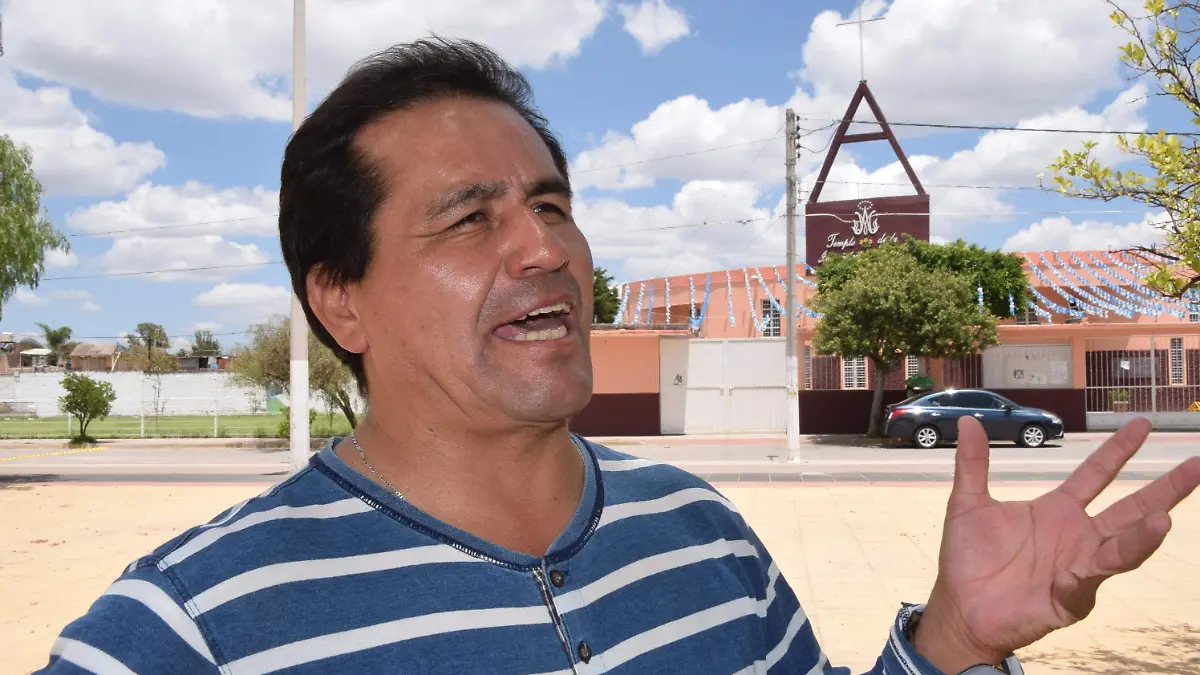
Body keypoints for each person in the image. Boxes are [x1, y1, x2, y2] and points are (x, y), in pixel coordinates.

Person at [38, 38, 1199, 675]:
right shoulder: (192, 626)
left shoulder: (704, 534)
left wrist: (951, 642)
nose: (547, 248)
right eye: (470, 217)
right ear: (340, 299)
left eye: (552, 204)